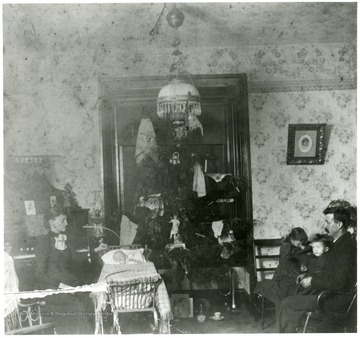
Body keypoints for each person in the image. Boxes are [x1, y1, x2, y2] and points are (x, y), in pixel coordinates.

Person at [276, 201, 357, 333]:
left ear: (339, 224)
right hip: (331, 294)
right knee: (292, 294)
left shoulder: (346, 248)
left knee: (287, 303)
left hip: (335, 299)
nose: (324, 226)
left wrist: (312, 281)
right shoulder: (339, 243)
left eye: (327, 222)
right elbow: (330, 271)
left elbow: (339, 282)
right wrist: (309, 275)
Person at [33, 204, 94, 333]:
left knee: (88, 299)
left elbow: (75, 259)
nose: (66, 223)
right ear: (51, 222)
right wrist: (62, 286)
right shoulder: (43, 241)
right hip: (51, 287)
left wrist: (94, 251)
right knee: (77, 305)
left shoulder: (65, 237)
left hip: (68, 282)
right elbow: (39, 274)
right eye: (63, 220)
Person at [254, 227, 309, 314]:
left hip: (292, 272)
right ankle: (285, 315)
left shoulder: (298, 247)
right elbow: (285, 264)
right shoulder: (286, 246)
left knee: (295, 288)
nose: (301, 243)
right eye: (299, 240)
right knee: (286, 290)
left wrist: (303, 265)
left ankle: (290, 314)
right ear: (292, 239)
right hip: (284, 274)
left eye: (302, 241)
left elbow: (301, 260)